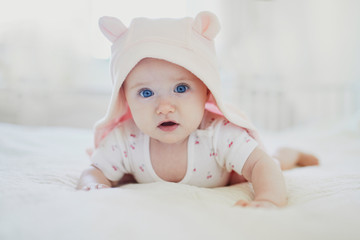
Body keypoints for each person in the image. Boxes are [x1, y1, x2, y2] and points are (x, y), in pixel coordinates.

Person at [77, 11, 318, 208]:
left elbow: (260, 164)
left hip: (230, 172)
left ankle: (289, 153)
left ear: (207, 92)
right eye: (146, 93)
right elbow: (95, 171)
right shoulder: (126, 138)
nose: (164, 107)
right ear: (125, 99)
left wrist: (268, 200)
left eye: (181, 88)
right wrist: (93, 184)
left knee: (272, 162)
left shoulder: (218, 133)